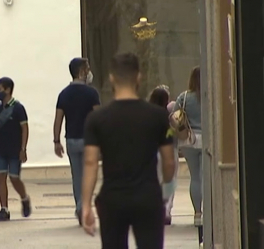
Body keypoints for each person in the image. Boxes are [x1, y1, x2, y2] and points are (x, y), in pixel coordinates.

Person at [82, 53, 175, 249]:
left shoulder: (97, 118)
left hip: (113, 198)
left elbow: (90, 162)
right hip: (147, 196)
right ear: (138, 77)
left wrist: (86, 205)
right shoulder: (157, 116)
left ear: (112, 78)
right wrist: (165, 184)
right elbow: (168, 161)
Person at [53, 57, 100, 225]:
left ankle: (80, 207)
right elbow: (97, 116)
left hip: (71, 140)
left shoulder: (64, 94)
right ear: (81, 72)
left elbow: (58, 119)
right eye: (87, 68)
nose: (89, 72)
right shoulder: (92, 93)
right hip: (89, 140)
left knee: (77, 175)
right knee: (89, 175)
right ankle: (85, 205)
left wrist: (56, 141)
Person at [0, 77, 31, 221]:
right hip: (0, 148)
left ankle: (24, 198)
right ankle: (4, 209)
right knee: (0, 177)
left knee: (14, 177)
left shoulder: (18, 108)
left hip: (14, 148)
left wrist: (23, 148)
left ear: (8, 90)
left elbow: (24, 128)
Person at [172, 66, 202, 226]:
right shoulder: (208, 96)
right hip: (206, 140)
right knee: (205, 177)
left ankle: (198, 212)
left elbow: (175, 117)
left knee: (195, 177)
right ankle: (209, 211)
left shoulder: (183, 97)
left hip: (188, 141)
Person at [149, 87, 179, 225]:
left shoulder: (147, 114)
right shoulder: (169, 115)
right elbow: (177, 130)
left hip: (152, 151)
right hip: (169, 150)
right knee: (170, 180)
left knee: (155, 181)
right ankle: (166, 209)